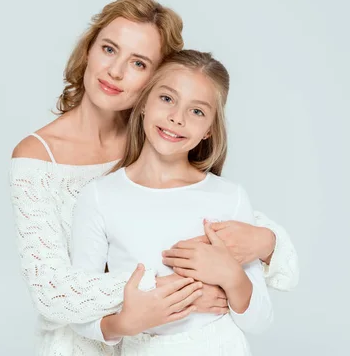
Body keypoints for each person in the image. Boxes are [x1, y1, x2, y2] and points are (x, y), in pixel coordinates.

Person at [9, 0, 298, 356]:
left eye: (139, 63)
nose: (115, 71)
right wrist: (183, 289)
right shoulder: (39, 158)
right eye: (109, 49)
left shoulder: (161, 139)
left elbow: (226, 226)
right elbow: (52, 293)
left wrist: (263, 245)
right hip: (90, 343)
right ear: (88, 49)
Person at [70, 50, 272, 355]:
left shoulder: (229, 197)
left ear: (209, 131)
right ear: (143, 105)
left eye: (197, 112)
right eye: (167, 99)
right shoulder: (100, 196)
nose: (177, 117)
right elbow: (79, 310)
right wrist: (127, 322)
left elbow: (260, 320)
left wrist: (231, 275)